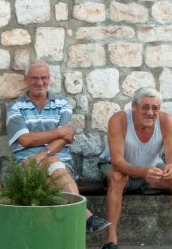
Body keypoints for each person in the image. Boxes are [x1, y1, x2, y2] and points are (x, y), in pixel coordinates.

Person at [100, 87, 172, 249]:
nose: (150, 113)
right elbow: (117, 161)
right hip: (118, 169)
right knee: (119, 178)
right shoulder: (119, 119)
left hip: (149, 170)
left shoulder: (165, 120)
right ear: (134, 106)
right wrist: (143, 172)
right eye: (145, 107)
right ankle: (110, 241)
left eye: (155, 108)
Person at [6, 60, 110, 235]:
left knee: (53, 167)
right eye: (34, 78)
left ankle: (83, 220)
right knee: (53, 165)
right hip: (26, 168)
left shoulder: (61, 103)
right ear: (25, 79)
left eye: (43, 78)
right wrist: (58, 132)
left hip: (56, 164)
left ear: (49, 78)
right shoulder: (16, 107)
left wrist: (41, 154)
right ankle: (85, 218)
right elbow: (25, 140)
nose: (40, 83)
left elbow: (65, 138)